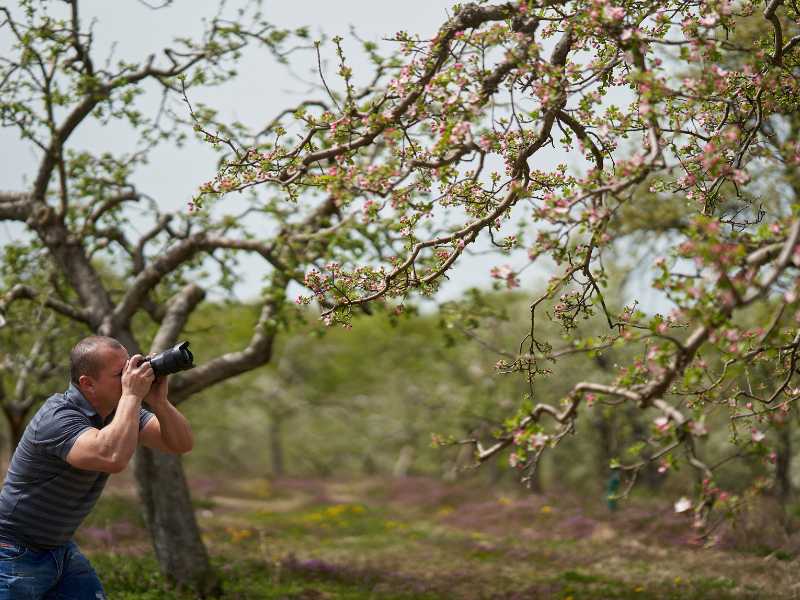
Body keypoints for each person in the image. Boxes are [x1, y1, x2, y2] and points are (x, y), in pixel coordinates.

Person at [0, 335, 194, 599]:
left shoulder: (120, 411)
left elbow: (179, 443)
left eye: (130, 367)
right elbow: (111, 456)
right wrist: (133, 395)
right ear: (87, 384)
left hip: (58, 548)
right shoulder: (58, 416)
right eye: (120, 373)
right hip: (12, 550)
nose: (131, 376)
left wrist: (159, 402)